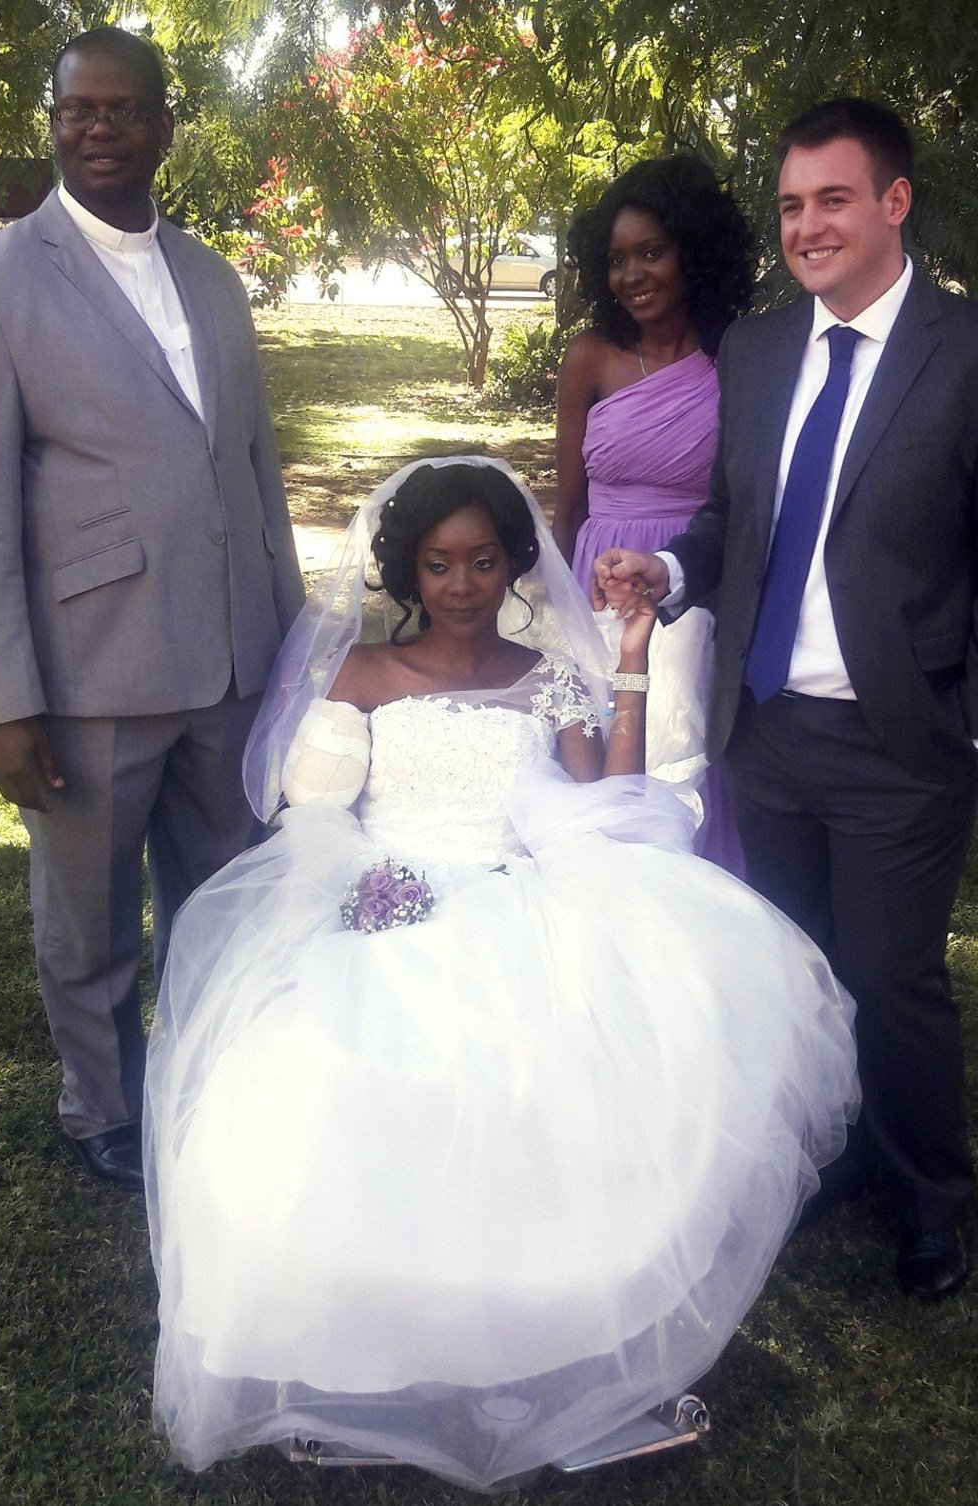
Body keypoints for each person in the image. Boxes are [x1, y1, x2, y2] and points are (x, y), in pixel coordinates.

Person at [144, 456, 857, 1490]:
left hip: (519, 891)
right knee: (336, 1085)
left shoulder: (547, 674)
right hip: (386, 899)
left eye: (483, 561)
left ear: (514, 563)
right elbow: (317, 812)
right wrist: (354, 876)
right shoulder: (362, 674)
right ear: (408, 570)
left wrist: (629, 658)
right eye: (439, 564)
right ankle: (369, 1343)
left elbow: (608, 802)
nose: (463, 584)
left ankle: (542, 1343)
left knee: (554, 1090)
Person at [595, 98, 977, 1301]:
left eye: (833, 200)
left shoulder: (961, 351)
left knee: (891, 981)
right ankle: (833, 1153)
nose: (807, 226)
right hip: (762, 731)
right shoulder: (758, 354)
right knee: (795, 968)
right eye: (791, 206)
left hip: (898, 741)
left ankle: (931, 1199)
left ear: (893, 203)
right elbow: (732, 518)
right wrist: (670, 574)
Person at [0, 27, 303, 1191]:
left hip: (232, 658)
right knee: (91, 919)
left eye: (122, 109)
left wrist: (290, 649)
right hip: (89, 664)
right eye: (77, 110)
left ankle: (211, 1075)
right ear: (53, 123)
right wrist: (5, 701)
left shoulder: (212, 276)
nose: (98, 129)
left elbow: (251, 469)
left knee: (227, 897)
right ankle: (102, 1104)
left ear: (163, 125)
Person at [554, 157, 754, 871]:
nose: (632, 274)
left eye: (651, 252)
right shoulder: (591, 357)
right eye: (616, 260)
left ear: (692, 251)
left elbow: (745, 499)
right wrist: (555, 613)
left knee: (686, 752)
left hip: (694, 586)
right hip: (599, 582)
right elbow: (569, 503)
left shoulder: (740, 357)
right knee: (598, 757)